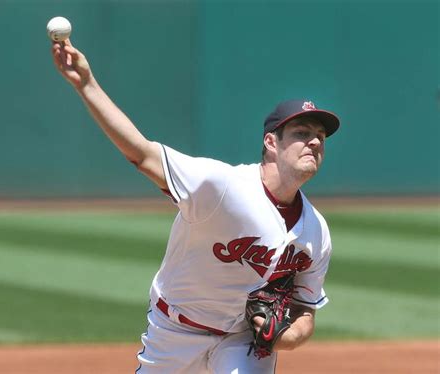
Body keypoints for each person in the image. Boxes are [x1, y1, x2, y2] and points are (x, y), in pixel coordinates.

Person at [51, 39, 340, 374]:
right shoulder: (222, 186)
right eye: (303, 133)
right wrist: (87, 85)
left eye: (321, 136)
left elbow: (306, 311)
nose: (316, 141)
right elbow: (142, 154)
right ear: (271, 142)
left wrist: (285, 337)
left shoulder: (316, 231)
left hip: (242, 341)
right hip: (175, 331)